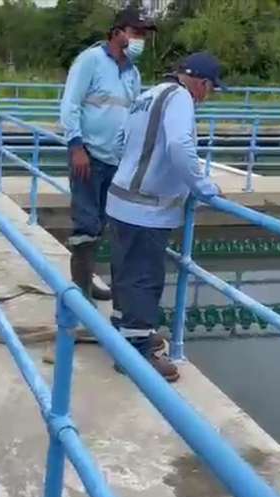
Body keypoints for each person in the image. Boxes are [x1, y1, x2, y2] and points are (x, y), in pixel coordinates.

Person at [106, 52, 224, 382]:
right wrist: (204, 188)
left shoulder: (148, 94)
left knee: (125, 274)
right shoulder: (180, 99)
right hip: (147, 209)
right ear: (201, 83)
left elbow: (118, 143)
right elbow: (179, 147)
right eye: (210, 89)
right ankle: (137, 352)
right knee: (145, 279)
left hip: (120, 200)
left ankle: (125, 330)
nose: (207, 96)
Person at [60, 6, 155, 303]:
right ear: (117, 33)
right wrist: (76, 146)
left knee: (103, 225)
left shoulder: (133, 73)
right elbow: (70, 104)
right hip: (87, 156)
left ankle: (88, 283)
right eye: (136, 33)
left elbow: (133, 114)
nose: (141, 40)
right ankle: (81, 297)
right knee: (86, 225)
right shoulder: (91, 61)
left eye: (144, 35)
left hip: (116, 161)